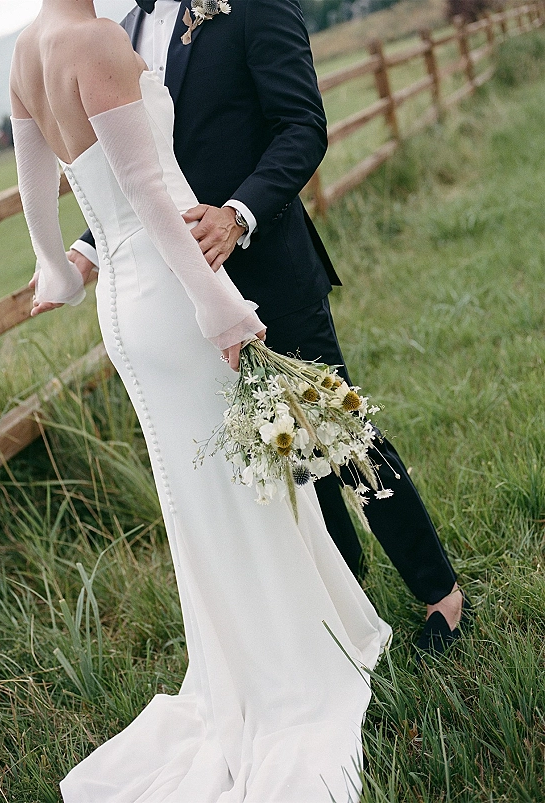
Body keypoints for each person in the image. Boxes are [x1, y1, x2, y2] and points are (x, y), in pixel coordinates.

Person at [10, 1, 392, 800]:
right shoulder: (97, 38)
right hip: (173, 295)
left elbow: (35, 188)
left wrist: (56, 268)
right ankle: (284, 667)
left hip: (121, 303)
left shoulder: (27, 51)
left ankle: (243, 661)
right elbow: (153, 192)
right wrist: (220, 304)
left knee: (198, 497)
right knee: (236, 492)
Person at [68, 0, 468, 653]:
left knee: (341, 436)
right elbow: (143, 163)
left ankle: (440, 593)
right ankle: (350, 603)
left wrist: (237, 213)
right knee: (290, 461)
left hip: (271, 268)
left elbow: (302, 125)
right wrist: (86, 249)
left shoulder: (252, 5)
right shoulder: (124, 31)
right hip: (189, 298)